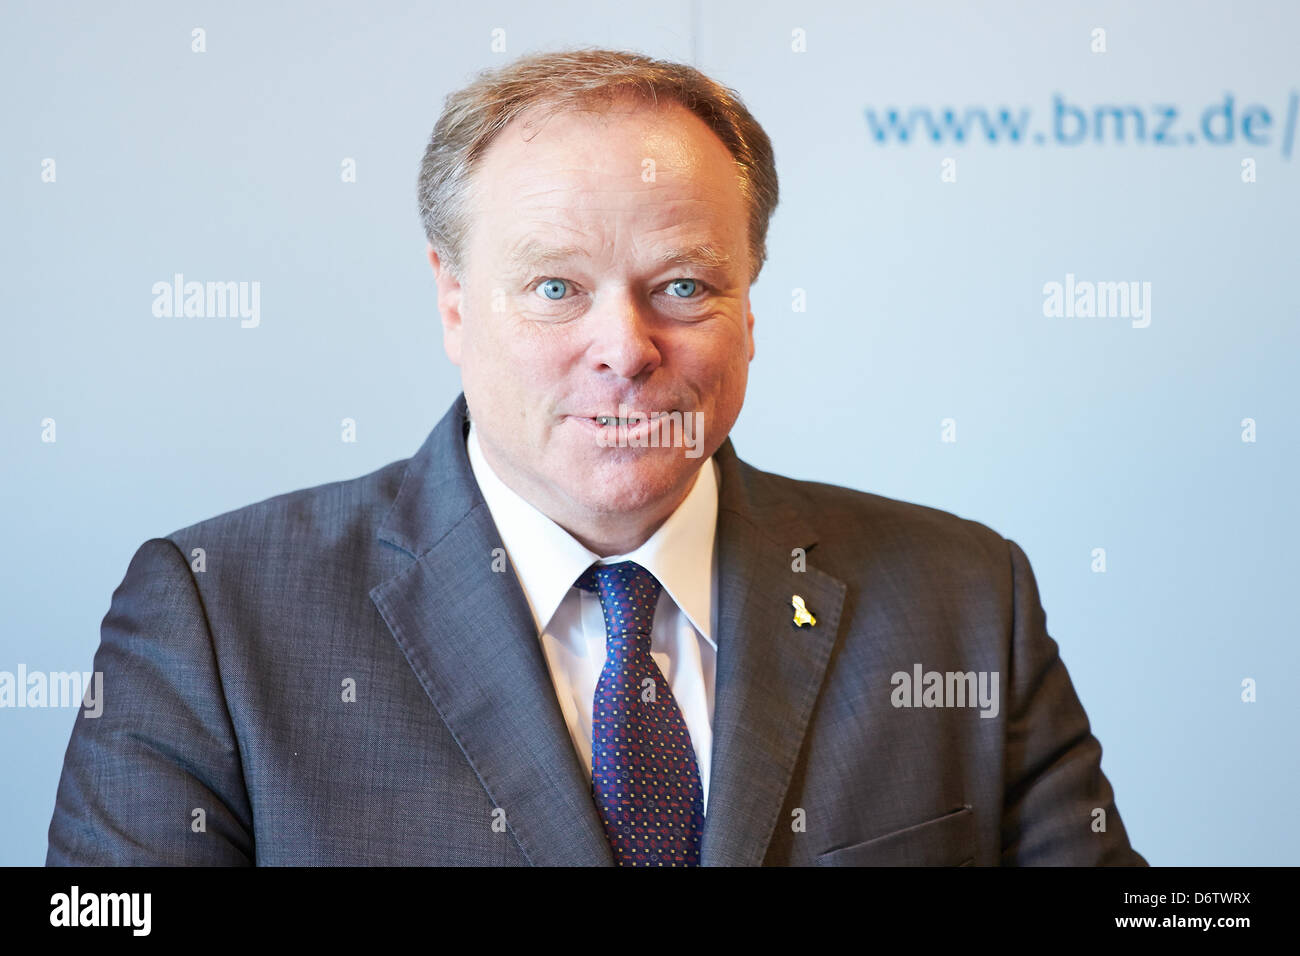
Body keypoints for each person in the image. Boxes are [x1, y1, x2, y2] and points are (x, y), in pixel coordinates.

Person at [47, 47, 1145, 866]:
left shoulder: (960, 597)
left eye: (683, 284)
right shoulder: (217, 618)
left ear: (749, 307)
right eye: (557, 287)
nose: (624, 348)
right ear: (452, 301)